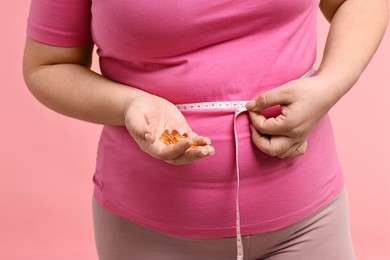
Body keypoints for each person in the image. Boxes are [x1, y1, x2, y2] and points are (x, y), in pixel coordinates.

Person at [23, 0, 388, 259]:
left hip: (308, 227)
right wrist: (130, 104)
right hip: (149, 235)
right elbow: (47, 65)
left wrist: (331, 83)